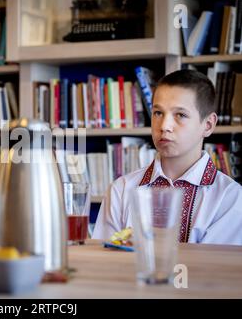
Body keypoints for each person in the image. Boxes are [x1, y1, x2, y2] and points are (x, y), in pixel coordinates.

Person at [92, 69, 242, 245]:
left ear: (208, 125)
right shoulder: (121, 190)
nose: (165, 126)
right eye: (158, 113)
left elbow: (214, 269)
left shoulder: (230, 198)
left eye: (180, 115)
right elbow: (103, 262)